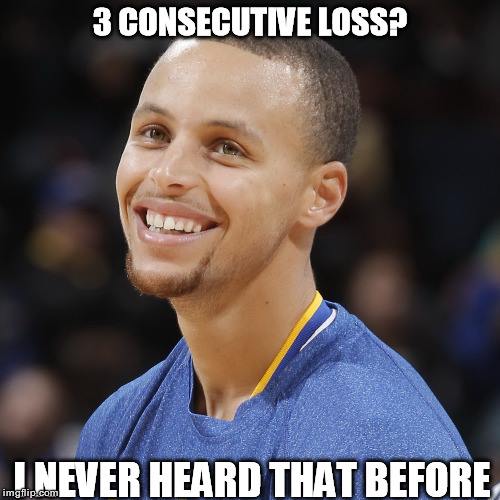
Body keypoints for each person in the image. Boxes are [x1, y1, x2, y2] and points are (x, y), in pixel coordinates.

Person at [76, 37, 471, 497]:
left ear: (320, 195)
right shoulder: (116, 425)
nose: (167, 174)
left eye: (226, 147)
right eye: (155, 133)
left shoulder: (380, 449)